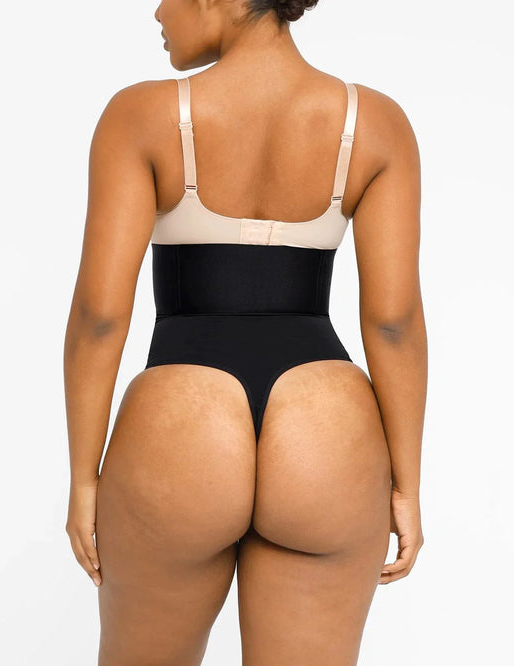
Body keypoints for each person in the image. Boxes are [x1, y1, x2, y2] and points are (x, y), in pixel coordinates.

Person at [64, 0, 426, 663]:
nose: (157, 10)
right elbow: (393, 322)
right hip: (326, 427)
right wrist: (406, 484)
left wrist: (84, 478)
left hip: (181, 421)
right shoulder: (375, 123)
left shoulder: (140, 115)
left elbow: (100, 316)